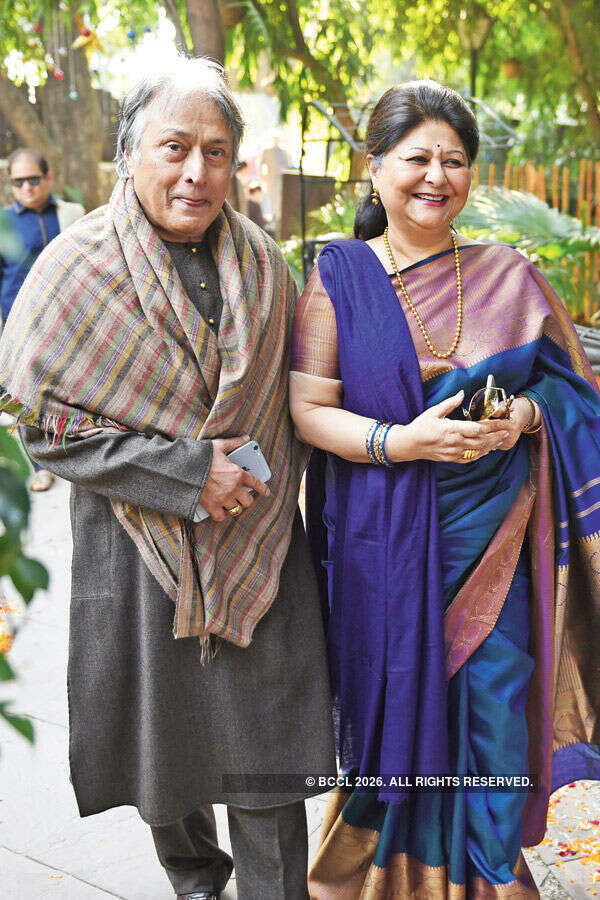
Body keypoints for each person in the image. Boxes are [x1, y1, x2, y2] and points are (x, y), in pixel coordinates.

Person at [0, 56, 335, 900]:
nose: (196, 171)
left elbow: (304, 390)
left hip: (257, 540)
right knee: (168, 746)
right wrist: (188, 474)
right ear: (129, 154)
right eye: (174, 146)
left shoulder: (267, 266)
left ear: (236, 162)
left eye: (216, 151)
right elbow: (45, 426)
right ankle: (194, 881)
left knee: (270, 749)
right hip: (135, 545)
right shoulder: (73, 270)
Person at [289, 80, 600, 898]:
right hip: (384, 544)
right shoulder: (340, 278)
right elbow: (308, 410)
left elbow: (572, 391)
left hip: (497, 531)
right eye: (417, 157)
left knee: (497, 710)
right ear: (375, 167)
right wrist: (402, 442)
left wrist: (527, 415)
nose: (437, 175)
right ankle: (387, 874)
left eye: (454, 159)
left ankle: (492, 880)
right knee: (399, 706)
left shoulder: (507, 274)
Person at [0, 148, 84, 491]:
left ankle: (80, 455)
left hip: (69, 320)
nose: (26, 188)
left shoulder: (72, 214)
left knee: (74, 389)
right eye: (18, 182)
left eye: (33, 179)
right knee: (29, 397)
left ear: (48, 178)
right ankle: (41, 467)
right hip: (20, 325)